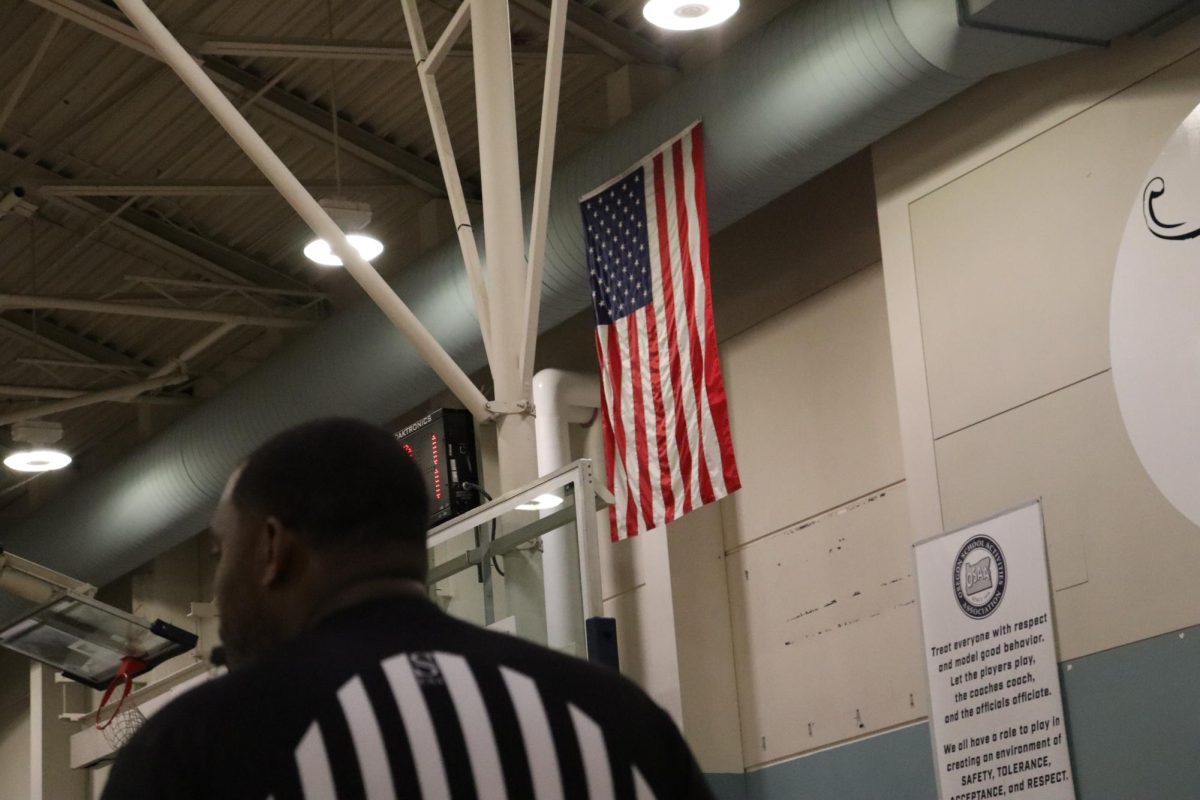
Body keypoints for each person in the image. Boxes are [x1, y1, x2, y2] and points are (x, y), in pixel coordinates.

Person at [102, 417, 714, 800]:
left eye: (220, 551)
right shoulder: (617, 721)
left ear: (270, 548)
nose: (218, 588)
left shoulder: (198, 748)